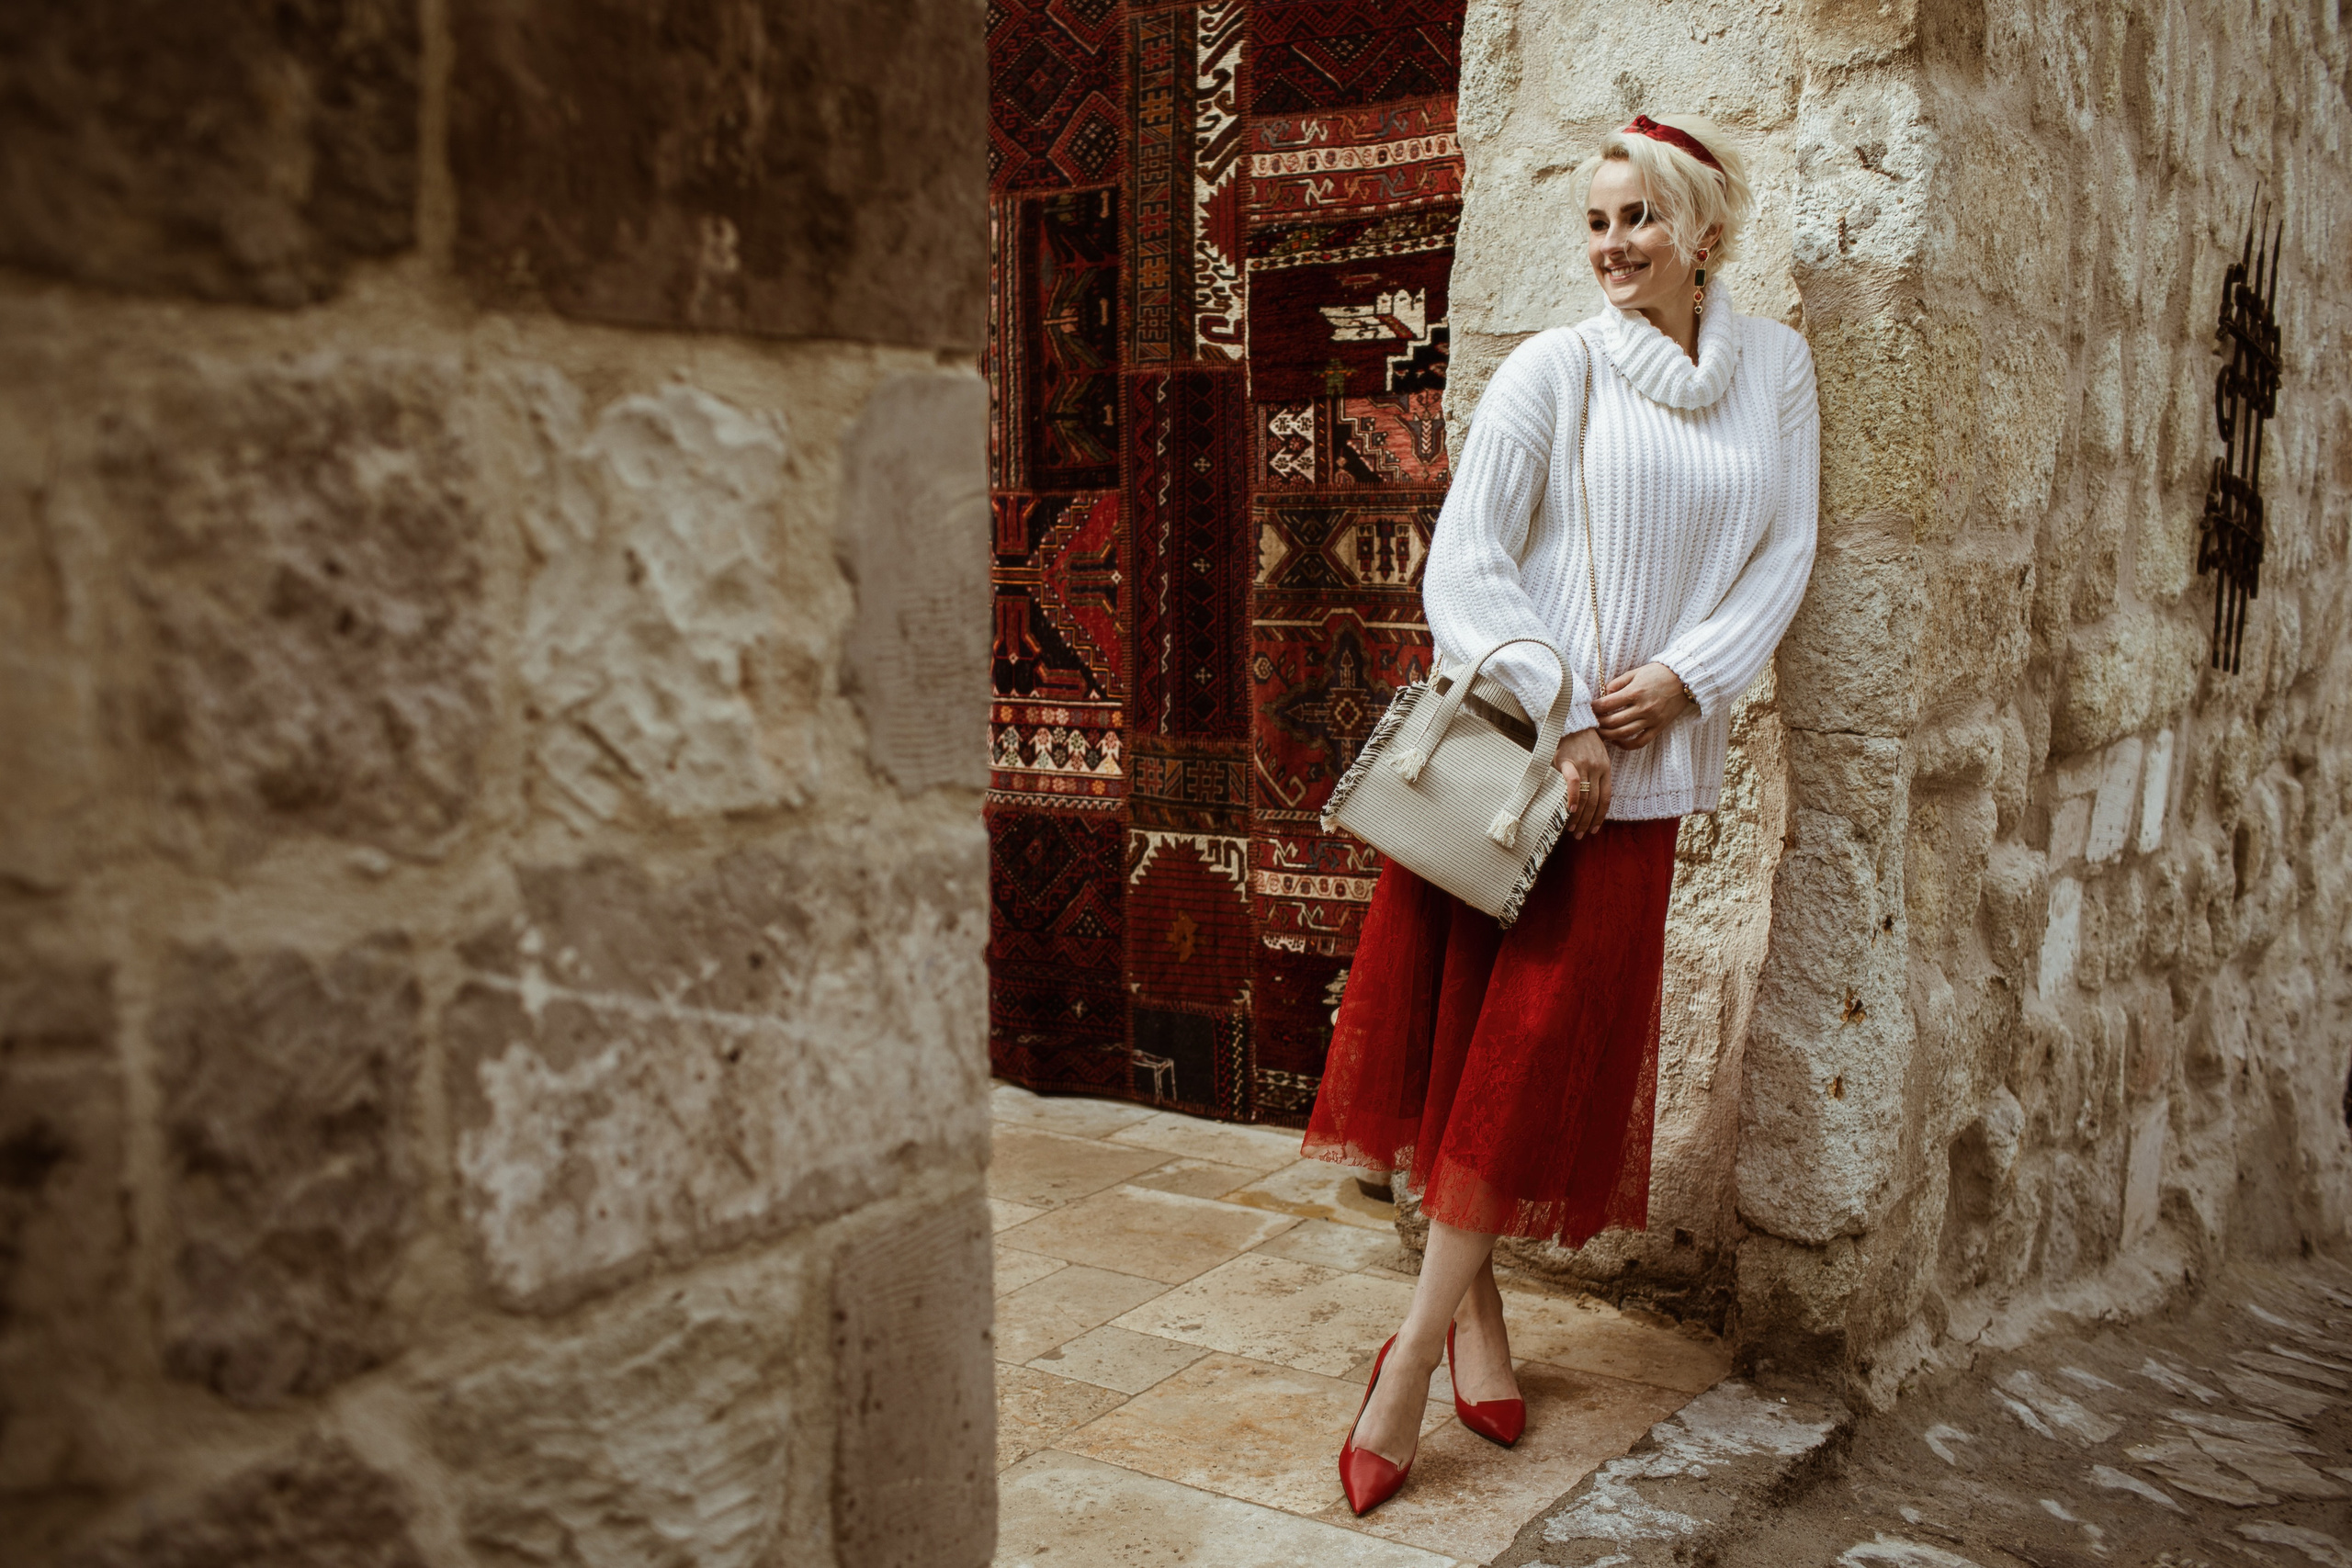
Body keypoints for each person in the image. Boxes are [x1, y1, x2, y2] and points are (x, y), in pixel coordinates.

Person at [1301, 113, 1820, 1515]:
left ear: (1702, 231)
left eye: (1637, 219)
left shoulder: (1773, 368)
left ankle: (1449, 1325)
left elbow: (1786, 548)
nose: (1610, 246)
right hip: (1525, 777)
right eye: (1595, 221)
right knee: (1487, 1065)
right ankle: (1419, 1359)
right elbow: (1467, 568)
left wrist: (1689, 677)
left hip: (1647, 787)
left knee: (1525, 1074)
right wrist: (1569, 709)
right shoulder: (1554, 368)